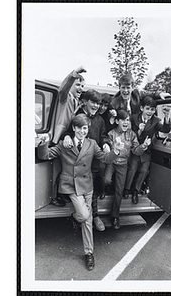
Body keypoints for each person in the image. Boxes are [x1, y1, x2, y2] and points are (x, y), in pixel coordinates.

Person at [37, 114, 124, 271]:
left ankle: (89, 253)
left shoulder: (91, 144)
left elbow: (105, 158)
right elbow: (44, 155)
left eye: (86, 128)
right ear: (74, 128)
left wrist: (116, 151)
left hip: (87, 185)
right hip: (71, 186)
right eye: (80, 128)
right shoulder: (65, 144)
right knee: (84, 216)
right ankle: (74, 217)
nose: (83, 131)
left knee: (87, 220)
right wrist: (43, 142)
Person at [62, 89, 110, 232]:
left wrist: (106, 143)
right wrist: (66, 137)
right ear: (85, 101)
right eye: (93, 102)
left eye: (98, 103)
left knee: (94, 187)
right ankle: (86, 216)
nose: (96, 106)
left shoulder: (100, 120)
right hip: (77, 163)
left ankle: (93, 216)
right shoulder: (76, 115)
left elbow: (103, 136)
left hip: (94, 161)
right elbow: (67, 130)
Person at [104, 110, 151, 229]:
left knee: (119, 190)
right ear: (117, 121)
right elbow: (106, 148)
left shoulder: (132, 135)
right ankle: (105, 189)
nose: (126, 122)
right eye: (123, 120)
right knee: (106, 181)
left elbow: (136, 150)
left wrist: (143, 146)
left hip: (123, 165)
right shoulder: (111, 133)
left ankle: (115, 216)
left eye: (128, 120)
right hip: (111, 162)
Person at [50, 66, 86, 207]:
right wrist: (73, 75)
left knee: (65, 170)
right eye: (78, 85)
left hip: (67, 138)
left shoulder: (77, 102)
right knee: (57, 170)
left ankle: (62, 194)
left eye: (82, 86)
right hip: (58, 138)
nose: (80, 88)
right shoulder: (66, 97)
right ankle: (53, 197)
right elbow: (63, 88)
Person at [124, 96, 171, 204]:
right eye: (148, 108)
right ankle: (126, 189)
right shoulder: (133, 118)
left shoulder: (156, 120)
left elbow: (165, 129)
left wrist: (167, 116)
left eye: (152, 109)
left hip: (146, 152)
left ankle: (136, 190)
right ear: (142, 108)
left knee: (144, 171)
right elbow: (127, 134)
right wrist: (139, 132)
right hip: (134, 150)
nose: (150, 112)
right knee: (132, 170)